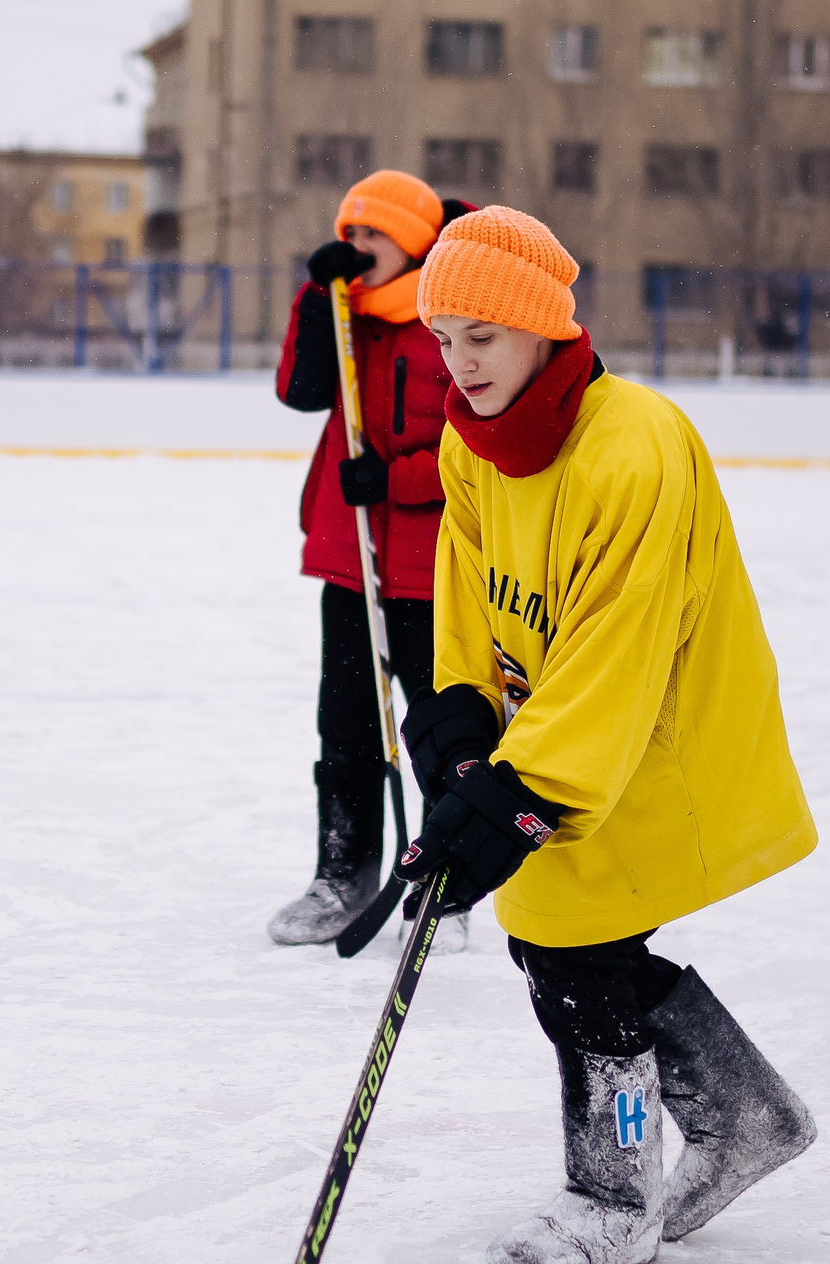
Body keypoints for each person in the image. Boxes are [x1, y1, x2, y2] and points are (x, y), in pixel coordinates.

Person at [397, 207, 820, 1264]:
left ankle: (612, 1195)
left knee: (575, 949)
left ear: (540, 327)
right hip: (566, 731)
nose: (459, 363)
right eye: (441, 338)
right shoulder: (468, 438)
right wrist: (456, 729)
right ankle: (744, 1115)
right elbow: (462, 591)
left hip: (656, 736)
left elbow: (621, 651)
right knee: (556, 941)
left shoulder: (633, 445)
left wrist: (514, 795)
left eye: (480, 336)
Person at [267, 171, 469, 946]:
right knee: (345, 722)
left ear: (414, 242)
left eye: (372, 235)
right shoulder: (348, 316)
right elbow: (299, 389)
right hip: (352, 555)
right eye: (347, 235)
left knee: (438, 726)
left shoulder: (452, 322)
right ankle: (340, 876)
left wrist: (392, 477)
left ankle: (446, 884)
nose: (355, 249)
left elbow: (468, 449)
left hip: (430, 564)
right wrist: (316, 300)